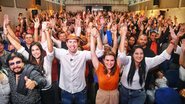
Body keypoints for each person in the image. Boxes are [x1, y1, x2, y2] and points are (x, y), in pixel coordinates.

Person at [118, 24, 176, 104]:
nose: (139, 56)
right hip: (124, 92)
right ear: (132, 54)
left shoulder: (146, 61)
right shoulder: (128, 60)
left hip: (139, 94)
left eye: (141, 54)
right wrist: (123, 35)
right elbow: (121, 56)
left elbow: (162, 57)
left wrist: (173, 42)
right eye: (136, 54)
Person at [49, 27, 103, 103]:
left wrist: (98, 36)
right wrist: (46, 33)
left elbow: (99, 53)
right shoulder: (62, 53)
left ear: (78, 43)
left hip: (81, 92)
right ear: (66, 43)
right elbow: (49, 49)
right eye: (70, 42)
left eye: (74, 42)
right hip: (65, 91)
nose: (72, 44)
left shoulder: (83, 54)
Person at [90, 27, 121, 104]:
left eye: (112, 60)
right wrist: (92, 37)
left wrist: (114, 34)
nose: (109, 63)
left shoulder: (117, 67)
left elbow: (115, 47)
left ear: (115, 60)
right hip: (102, 95)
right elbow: (93, 53)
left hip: (114, 95)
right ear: (103, 60)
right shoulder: (99, 67)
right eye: (107, 60)